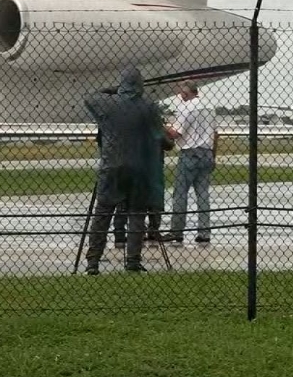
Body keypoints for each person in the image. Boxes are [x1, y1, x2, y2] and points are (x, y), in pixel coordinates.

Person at [83, 66, 163, 274]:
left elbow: (89, 98)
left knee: (103, 214)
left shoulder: (108, 105)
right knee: (136, 215)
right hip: (139, 168)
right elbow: (159, 136)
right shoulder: (149, 107)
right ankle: (133, 260)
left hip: (112, 166)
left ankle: (93, 261)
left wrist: (112, 90)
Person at [162, 81, 218, 244]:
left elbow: (175, 134)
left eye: (182, 93)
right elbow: (215, 134)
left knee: (180, 193)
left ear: (186, 93)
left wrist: (163, 126)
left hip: (190, 153)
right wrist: (213, 156)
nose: (180, 96)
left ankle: (177, 231)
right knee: (203, 194)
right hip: (207, 152)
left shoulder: (185, 108)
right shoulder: (209, 107)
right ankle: (204, 232)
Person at [114, 128, 173, 246]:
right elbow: (168, 144)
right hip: (152, 167)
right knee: (153, 198)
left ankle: (120, 232)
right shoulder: (155, 127)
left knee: (126, 199)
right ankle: (153, 229)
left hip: (131, 165)